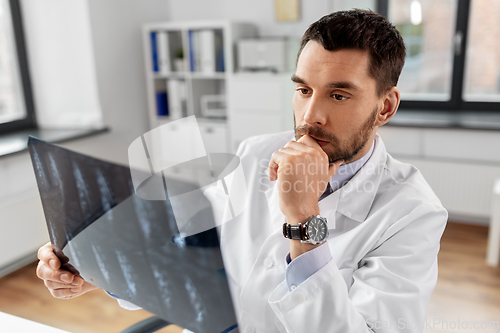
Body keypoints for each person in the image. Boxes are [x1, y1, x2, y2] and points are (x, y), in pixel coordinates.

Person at [37, 9, 447, 333]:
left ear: (385, 107)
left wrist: (304, 222)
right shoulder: (256, 154)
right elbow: (187, 247)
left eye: (338, 95)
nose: (310, 116)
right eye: (303, 89)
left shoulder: (412, 213)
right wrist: (99, 271)